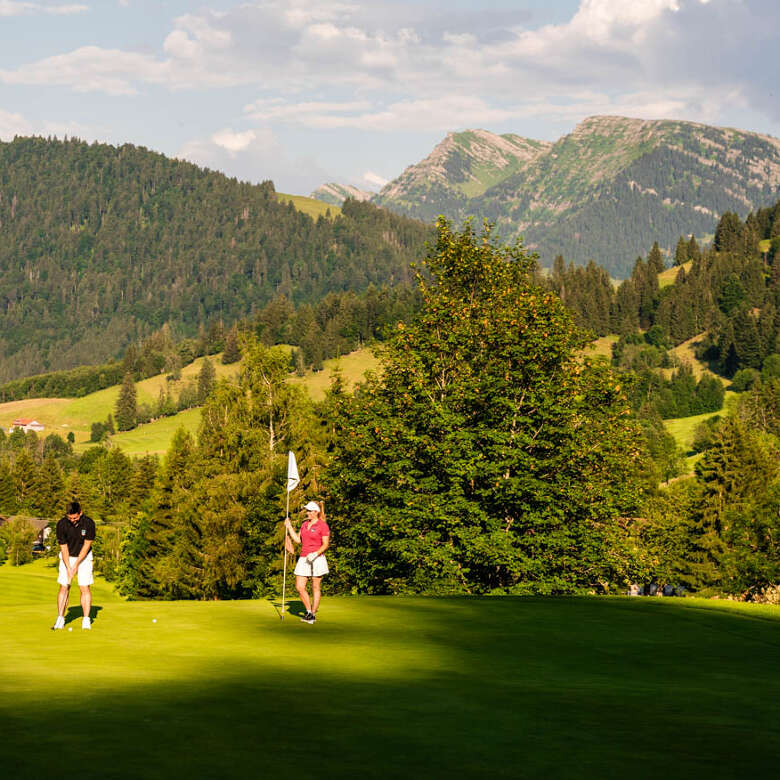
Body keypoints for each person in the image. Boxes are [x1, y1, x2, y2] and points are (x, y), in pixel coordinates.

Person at [52, 501, 96, 630]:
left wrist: (76, 564)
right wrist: (68, 566)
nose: (72, 520)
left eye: (75, 518)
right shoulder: (61, 524)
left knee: (84, 587)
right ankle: (60, 617)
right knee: (64, 587)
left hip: (85, 557)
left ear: (80, 513)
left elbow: (86, 545)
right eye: (70, 518)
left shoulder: (88, 523)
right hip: (67, 557)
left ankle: (86, 619)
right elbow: (63, 548)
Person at [284, 500, 330, 624]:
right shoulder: (304, 525)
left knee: (315, 586)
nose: (307, 512)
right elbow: (298, 540)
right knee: (299, 586)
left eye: (309, 511)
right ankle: (308, 611)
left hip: (317, 558)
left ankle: (313, 614)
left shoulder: (322, 525)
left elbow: (325, 544)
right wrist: (289, 528)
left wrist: (315, 554)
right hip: (304, 558)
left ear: (316, 512)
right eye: (307, 510)